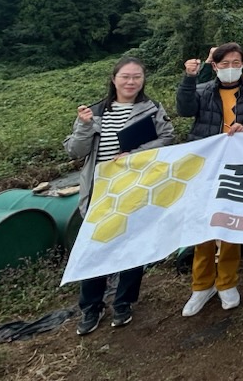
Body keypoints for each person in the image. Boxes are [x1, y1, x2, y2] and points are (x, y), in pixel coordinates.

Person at [65, 57, 174, 335]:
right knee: (95, 248)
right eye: (125, 76)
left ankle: (124, 302)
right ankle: (91, 307)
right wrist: (83, 125)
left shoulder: (152, 109)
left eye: (137, 77)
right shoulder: (95, 111)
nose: (131, 82)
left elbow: (167, 137)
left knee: (133, 247)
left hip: (135, 188)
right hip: (99, 193)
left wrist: (134, 155)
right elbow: (75, 151)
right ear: (114, 79)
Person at [176, 42, 243, 317]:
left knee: (229, 225)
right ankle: (201, 286)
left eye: (235, 63)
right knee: (203, 226)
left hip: (237, 167)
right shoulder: (203, 91)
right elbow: (184, 110)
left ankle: (227, 282)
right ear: (214, 66)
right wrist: (189, 78)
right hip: (205, 167)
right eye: (224, 64)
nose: (230, 68)